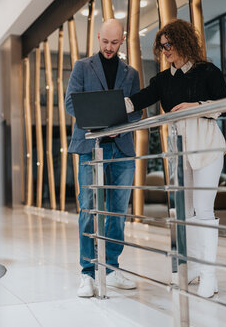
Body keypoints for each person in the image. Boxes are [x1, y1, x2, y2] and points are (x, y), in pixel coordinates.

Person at [125, 19, 226, 298]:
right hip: (178, 150)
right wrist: (107, 108)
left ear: (184, 42)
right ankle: (192, 267)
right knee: (183, 214)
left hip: (206, 146)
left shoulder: (207, 71)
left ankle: (210, 274)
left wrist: (196, 107)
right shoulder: (162, 80)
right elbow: (138, 100)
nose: (165, 51)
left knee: (204, 211)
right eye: (161, 47)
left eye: (169, 45)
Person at [65, 19, 143, 298]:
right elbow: (71, 103)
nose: (109, 48)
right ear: (98, 38)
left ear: (122, 40)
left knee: (117, 212)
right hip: (91, 147)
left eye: (114, 42)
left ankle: (110, 268)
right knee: (88, 210)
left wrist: (117, 116)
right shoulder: (82, 67)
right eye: (105, 42)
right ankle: (87, 273)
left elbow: (136, 111)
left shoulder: (131, 73)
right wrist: (100, 118)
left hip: (121, 150)